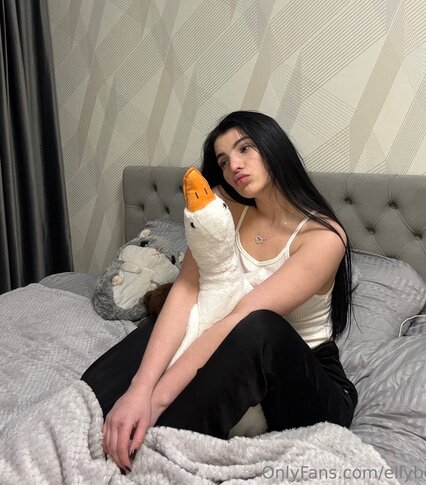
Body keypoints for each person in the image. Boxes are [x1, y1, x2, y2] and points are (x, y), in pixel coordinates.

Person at [81, 110, 358, 472]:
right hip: (231, 347)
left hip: (305, 379)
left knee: (258, 326)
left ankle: (154, 453)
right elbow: (186, 292)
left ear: (274, 147)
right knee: (137, 353)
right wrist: (139, 389)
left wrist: (156, 401)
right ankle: (90, 418)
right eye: (224, 161)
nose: (234, 166)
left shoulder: (324, 237)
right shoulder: (222, 209)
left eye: (245, 149)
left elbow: (242, 318)